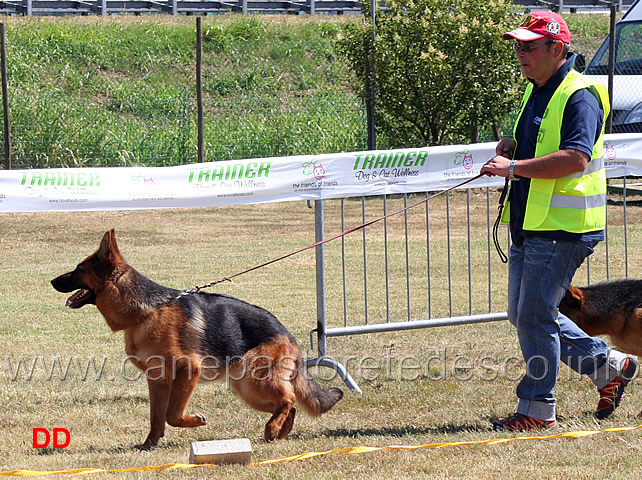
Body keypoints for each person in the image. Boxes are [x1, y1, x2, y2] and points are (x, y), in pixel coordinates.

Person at [480, 11, 638, 431]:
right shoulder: (539, 89)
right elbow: (540, 147)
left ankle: (536, 409)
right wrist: (513, 148)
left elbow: (575, 158)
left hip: (562, 229)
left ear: (556, 48)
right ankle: (608, 365)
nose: (520, 54)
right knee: (525, 313)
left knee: (533, 315)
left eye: (529, 46)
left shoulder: (578, 95)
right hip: (531, 224)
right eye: (517, 45)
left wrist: (512, 166)